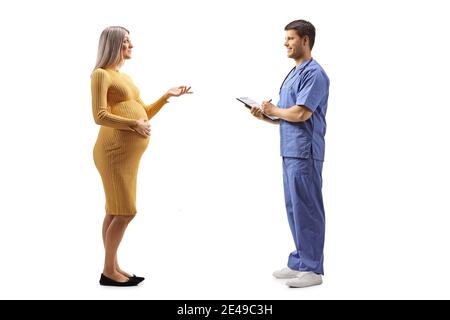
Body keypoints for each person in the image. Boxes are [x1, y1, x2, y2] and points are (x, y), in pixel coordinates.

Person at [91, 26, 192, 286]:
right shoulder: (101, 75)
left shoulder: (122, 77)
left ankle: (112, 265)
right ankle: (108, 272)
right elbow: (99, 115)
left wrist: (166, 97)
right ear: (113, 45)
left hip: (127, 156)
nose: (131, 46)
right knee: (125, 212)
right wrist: (134, 125)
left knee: (115, 212)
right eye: (126, 42)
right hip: (113, 153)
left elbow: (143, 111)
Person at [250, 20, 330, 288]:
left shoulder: (314, 73)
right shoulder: (293, 73)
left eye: (290, 38)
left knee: (307, 207)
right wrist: (265, 115)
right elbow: (287, 116)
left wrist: (276, 111)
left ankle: (312, 268)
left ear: (305, 40)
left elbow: (301, 113)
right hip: (290, 149)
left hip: (305, 151)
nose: (285, 43)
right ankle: (299, 261)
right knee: (294, 207)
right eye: (285, 39)